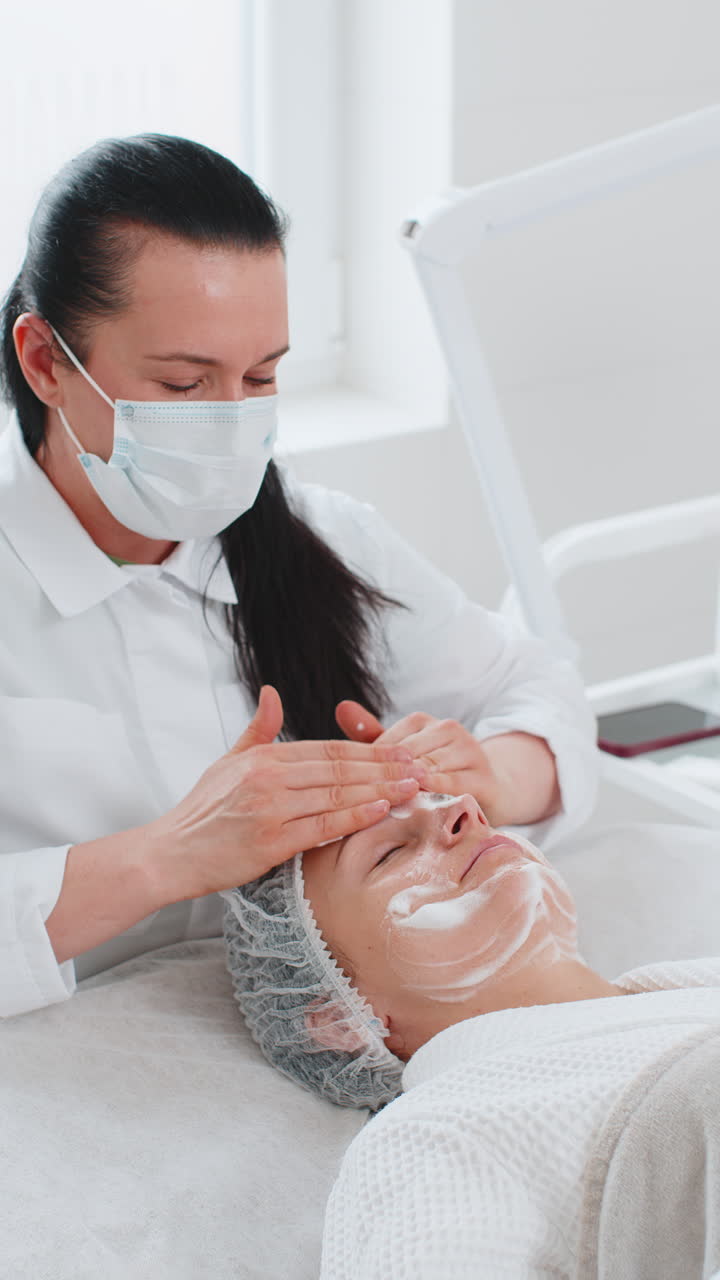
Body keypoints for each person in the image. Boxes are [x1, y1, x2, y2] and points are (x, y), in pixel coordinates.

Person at [0, 132, 598, 1020]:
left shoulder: (321, 539)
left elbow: (536, 683)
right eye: (181, 384)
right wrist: (166, 856)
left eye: (262, 375)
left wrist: (494, 776)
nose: (232, 423)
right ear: (46, 361)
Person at [223, 791, 720, 1279]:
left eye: (441, 796)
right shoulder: (434, 1139)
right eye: (391, 852)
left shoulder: (698, 986)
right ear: (343, 1021)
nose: (464, 808)